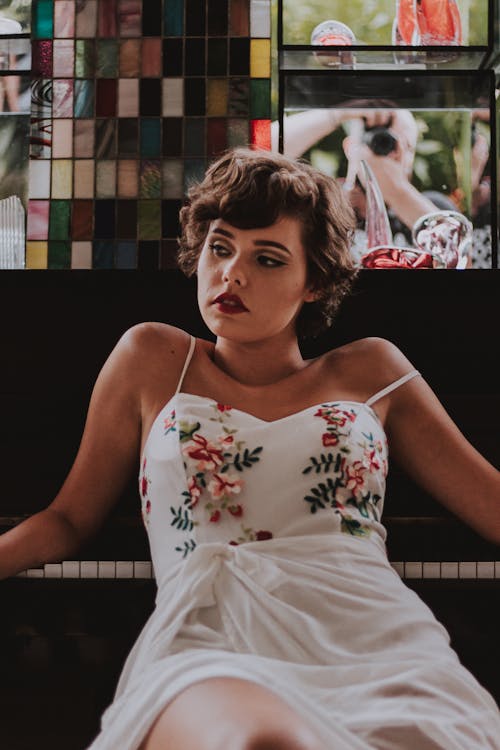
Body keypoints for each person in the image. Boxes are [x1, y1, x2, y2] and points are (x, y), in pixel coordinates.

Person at [1, 148, 500, 749]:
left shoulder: (373, 370)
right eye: (220, 248)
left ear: (314, 280)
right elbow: (68, 517)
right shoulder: (152, 358)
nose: (232, 275)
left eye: (267, 259)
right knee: (263, 742)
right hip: (211, 635)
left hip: (376, 641)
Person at [272, 107, 459, 256]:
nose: (390, 153)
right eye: (381, 142)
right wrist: (339, 112)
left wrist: (396, 192)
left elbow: (462, 259)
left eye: (405, 146)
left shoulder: (433, 207)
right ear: (350, 147)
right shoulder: (322, 204)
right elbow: (258, 153)